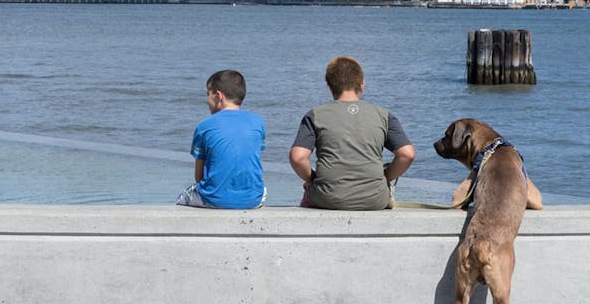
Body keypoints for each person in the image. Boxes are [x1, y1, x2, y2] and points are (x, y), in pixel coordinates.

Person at [289, 56, 415, 210]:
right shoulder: (383, 115)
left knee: (308, 195)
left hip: (327, 197)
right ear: (362, 84)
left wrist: (312, 180)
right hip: (375, 199)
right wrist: (386, 178)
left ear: (329, 85)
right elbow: (407, 154)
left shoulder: (315, 115)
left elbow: (298, 158)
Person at [176, 69, 267, 209]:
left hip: (214, 199)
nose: (207, 101)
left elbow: (199, 176)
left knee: (182, 197)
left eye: (208, 95)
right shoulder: (257, 122)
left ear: (218, 96)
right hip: (253, 199)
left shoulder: (204, 126)